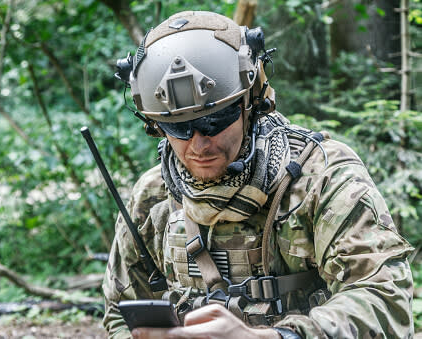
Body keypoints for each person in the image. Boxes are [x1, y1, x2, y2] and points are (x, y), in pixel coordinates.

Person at [103, 10, 414, 339]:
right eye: (177, 127)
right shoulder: (154, 195)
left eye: (215, 120)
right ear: (154, 125)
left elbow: (384, 298)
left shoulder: (320, 177)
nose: (199, 143)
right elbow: (121, 312)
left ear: (250, 102)